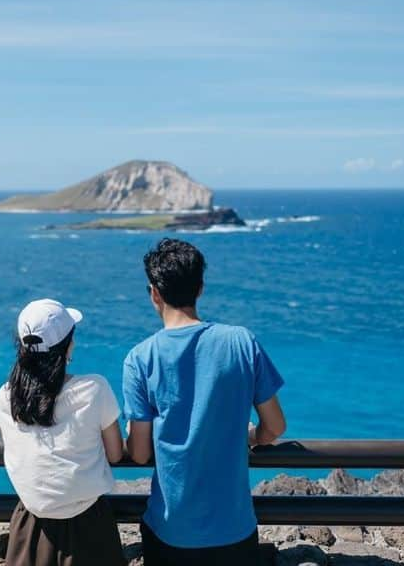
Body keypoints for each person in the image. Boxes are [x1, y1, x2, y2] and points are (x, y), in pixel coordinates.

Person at [123, 238, 287, 565]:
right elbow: (275, 427)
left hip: (171, 530)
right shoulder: (241, 342)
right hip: (234, 529)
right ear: (200, 289)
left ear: (154, 293)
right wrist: (251, 436)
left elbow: (139, 454)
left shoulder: (139, 359)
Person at [0, 298, 127, 566]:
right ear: (68, 346)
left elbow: (2, 431)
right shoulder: (93, 389)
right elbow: (115, 454)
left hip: (29, 526)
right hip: (89, 526)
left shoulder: (7, 396)